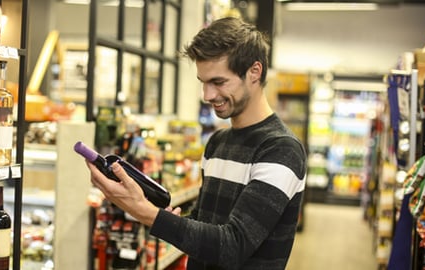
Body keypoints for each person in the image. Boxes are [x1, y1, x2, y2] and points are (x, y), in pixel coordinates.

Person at [86, 16, 307, 269]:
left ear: (254, 72)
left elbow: (233, 246)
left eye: (218, 82)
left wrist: (146, 213)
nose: (207, 95)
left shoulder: (281, 149)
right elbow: (207, 224)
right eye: (203, 82)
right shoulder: (217, 142)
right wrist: (168, 218)